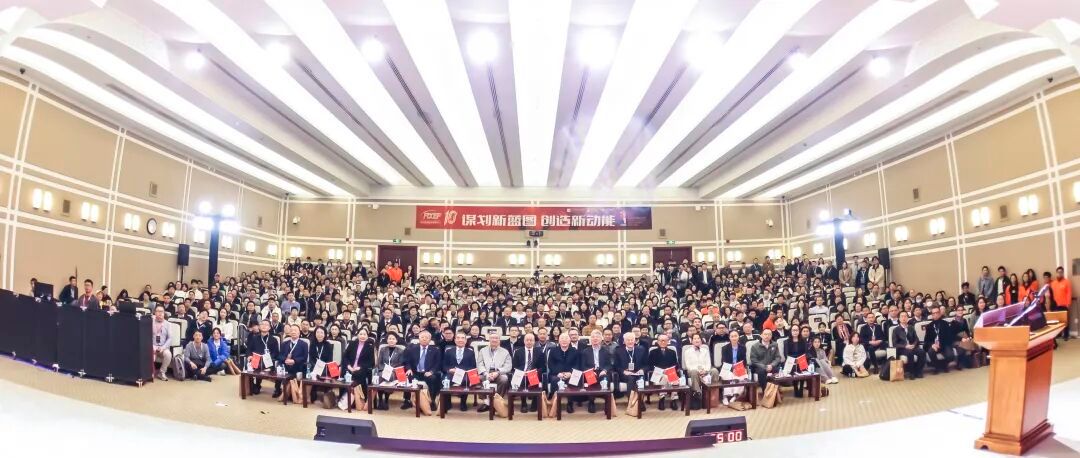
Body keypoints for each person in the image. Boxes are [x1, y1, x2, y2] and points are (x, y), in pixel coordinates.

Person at [403, 330, 441, 412]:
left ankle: (432, 401)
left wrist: (431, 372)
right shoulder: (412, 349)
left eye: (426, 337)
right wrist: (409, 369)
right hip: (415, 372)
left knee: (433, 378)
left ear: (430, 340)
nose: (424, 339)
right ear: (419, 339)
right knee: (407, 376)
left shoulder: (435, 350)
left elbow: (438, 364)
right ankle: (407, 400)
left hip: (427, 373)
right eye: (422, 337)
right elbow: (407, 361)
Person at [577, 329, 612, 413]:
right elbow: (583, 366)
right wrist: (589, 371)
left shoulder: (606, 351)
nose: (595, 339)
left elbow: (609, 364)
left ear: (601, 339)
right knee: (590, 377)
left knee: (605, 379)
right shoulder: (585, 351)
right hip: (590, 371)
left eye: (597, 337)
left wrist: (605, 370)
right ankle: (591, 402)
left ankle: (607, 403)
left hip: (602, 371)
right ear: (590, 339)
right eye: (593, 337)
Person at [442, 332, 477, 412]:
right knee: (445, 380)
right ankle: (448, 402)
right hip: (451, 373)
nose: (460, 340)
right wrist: (449, 370)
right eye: (458, 338)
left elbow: (473, 366)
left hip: (464, 374)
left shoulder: (470, 352)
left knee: (466, 380)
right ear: (455, 340)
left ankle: (463, 402)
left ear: (466, 341)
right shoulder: (449, 351)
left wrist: (462, 371)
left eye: (462, 338)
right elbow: (444, 365)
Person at [342, 328, 375, 410]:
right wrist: (349, 366)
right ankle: (345, 399)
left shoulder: (370, 347)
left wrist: (360, 367)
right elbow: (345, 357)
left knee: (358, 374)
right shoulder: (352, 344)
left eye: (364, 334)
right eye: (361, 334)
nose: (362, 336)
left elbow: (371, 362)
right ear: (357, 335)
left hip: (362, 369)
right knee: (344, 372)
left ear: (367, 336)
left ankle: (356, 399)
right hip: (350, 367)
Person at [681, 334, 717, 409]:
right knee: (694, 372)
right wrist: (699, 371)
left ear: (701, 340)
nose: (697, 340)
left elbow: (708, 363)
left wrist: (705, 371)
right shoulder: (687, 351)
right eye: (695, 338)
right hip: (693, 371)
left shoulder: (705, 350)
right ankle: (698, 394)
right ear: (692, 341)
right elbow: (688, 366)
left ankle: (711, 394)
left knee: (714, 371)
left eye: (698, 338)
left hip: (705, 370)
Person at [512, 332, 545, 412]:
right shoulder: (518, 352)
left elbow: (543, 367)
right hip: (522, 373)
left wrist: (535, 371)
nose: (529, 342)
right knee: (521, 378)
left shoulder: (539, 351)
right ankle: (523, 403)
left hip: (534, 373)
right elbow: (515, 366)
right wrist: (522, 372)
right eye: (527, 340)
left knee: (533, 377)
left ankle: (534, 402)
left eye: (531, 340)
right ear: (524, 341)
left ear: (534, 342)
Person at [246, 320, 280, 395]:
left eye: (266, 325)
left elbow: (276, 353)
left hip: (268, 360)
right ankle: (255, 385)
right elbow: (249, 349)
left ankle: (277, 389)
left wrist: (267, 358)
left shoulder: (273, 340)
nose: (264, 326)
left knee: (273, 364)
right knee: (249, 366)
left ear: (270, 327)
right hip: (256, 359)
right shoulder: (254, 338)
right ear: (259, 327)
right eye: (262, 324)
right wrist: (249, 355)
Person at [546, 333, 579, 412]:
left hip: (570, 374)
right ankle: (556, 403)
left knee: (573, 379)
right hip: (556, 374)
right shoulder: (553, 351)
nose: (564, 340)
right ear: (559, 341)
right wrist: (558, 373)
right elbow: (550, 364)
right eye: (562, 339)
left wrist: (570, 373)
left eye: (566, 339)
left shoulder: (574, 351)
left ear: (569, 341)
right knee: (555, 380)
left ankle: (570, 403)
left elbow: (577, 364)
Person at [648, 333, 681, 411]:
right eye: (661, 340)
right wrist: (662, 370)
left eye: (665, 340)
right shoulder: (653, 352)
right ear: (658, 342)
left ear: (668, 341)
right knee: (664, 377)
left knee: (674, 378)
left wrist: (670, 370)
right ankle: (662, 399)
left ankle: (673, 399)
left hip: (669, 372)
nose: (663, 342)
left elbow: (675, 365)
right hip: (657, 373)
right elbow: (650, 365)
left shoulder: (672, 352)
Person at [612, 332, 647, 402]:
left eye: (632, 340)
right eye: (628, 340)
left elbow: (646, 364)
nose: (630, 342)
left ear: (635, 341)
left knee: (641, 378)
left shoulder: (641, 350)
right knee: (631, 378)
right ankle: (631, 402)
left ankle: (640, 401)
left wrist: (642, 370)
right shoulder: (618, 351)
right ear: (624, 341)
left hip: (638, 372)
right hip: (625, 374)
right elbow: (616, 366)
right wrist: (623, 371)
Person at [374, 333, 405, 410]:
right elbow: (379, 362)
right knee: (381, 376)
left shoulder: (400, 351)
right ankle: (380, 400)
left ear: (396, 340)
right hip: (383, 370)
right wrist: (385, 369)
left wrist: (391, 369)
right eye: (390, 339)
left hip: (394, 371)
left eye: (393, 339)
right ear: (387, 340)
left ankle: (386, 400)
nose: (391, 340)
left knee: (389, 376)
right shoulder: (383, 349)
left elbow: (400, 363)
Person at [890, 311, 925, 379]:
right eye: (902, 316)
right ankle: (911, 372)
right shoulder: (896, 330)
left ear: (908, 318)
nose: (904, 318)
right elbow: (895, 344)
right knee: (910, 353)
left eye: (905, 316)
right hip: (902, 349)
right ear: (899, 318)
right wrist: (905, 346)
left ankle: (918, 371)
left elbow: (916, 339)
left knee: (922, 352)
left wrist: (913, 345)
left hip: (912, 347)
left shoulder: (911, 327)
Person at [923, 306, 956, 374]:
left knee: (951, 356)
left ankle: (943, 365)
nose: (935, 314)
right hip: (934, 345)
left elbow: (949, 338)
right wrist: (932, 345)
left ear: (940, 314)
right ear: (932, 315)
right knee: (930, 352)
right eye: (933, 313)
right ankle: (936, 367)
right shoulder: (929, 326)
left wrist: (940, 344)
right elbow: (926, 340)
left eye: (937, 313)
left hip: (944, 344)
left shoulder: (945, 324)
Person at [151, 305, 172, 381]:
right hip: (151, 346)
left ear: (164, 313)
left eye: (161, 311)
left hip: (162, 347)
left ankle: (162, 372)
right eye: (158, 311)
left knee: (168, 354)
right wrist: (152, 346)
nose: (160, 313)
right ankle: (148, 372)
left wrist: (163, 348)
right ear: (155, 313)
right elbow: (146, 336)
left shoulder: (168, 324)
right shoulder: (150, 322)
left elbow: (170, 338)